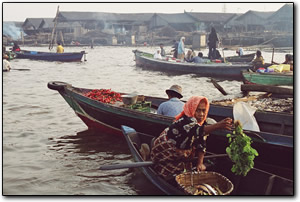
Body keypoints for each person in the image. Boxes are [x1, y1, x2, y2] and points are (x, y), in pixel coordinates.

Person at [151, 96, 233, 180]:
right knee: (166, 171)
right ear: (192, 109)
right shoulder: (185, 120)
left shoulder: (201, 122)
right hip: (167, 149)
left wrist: (200, 163)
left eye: (203, 110)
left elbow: (202, 142)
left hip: (181, 151)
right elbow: (198, 130)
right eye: (197, 110)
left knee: (187, 169)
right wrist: (218, 125)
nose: (201, 114)